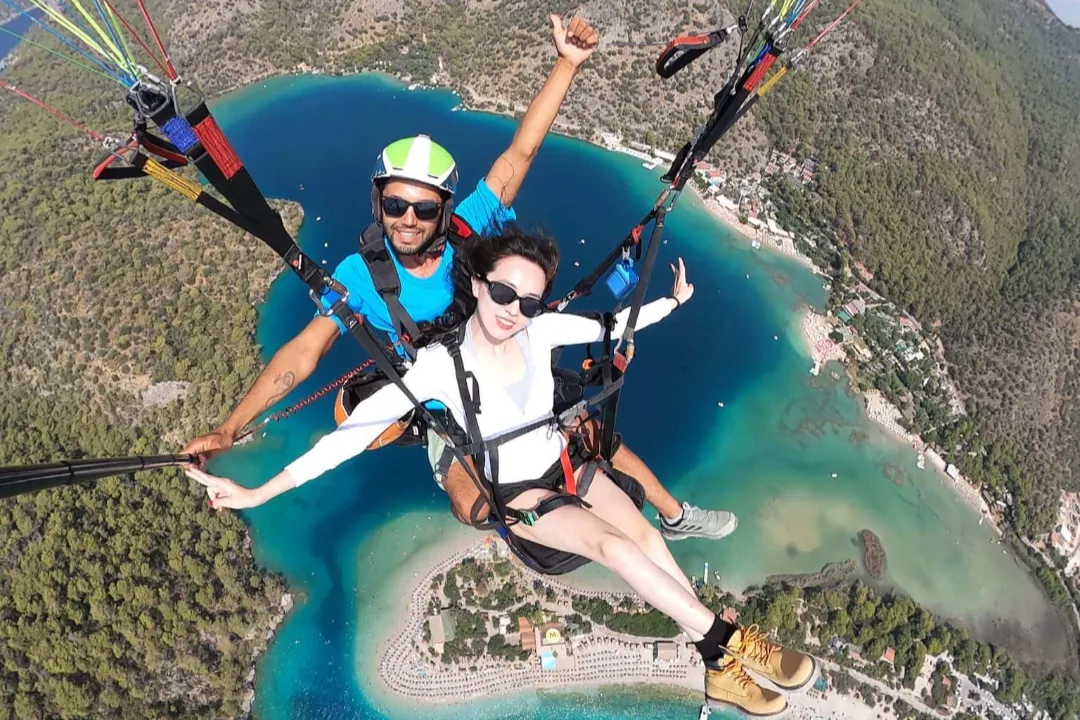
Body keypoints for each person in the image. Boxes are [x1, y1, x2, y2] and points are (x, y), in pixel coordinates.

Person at [185, 228, 813, 715]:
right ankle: (732, 644)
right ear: (480, 285)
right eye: (505, 292)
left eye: (530, 299)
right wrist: (257, 491)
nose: (515, 309)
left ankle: (716, 664)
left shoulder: (539, 332)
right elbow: (343, 442)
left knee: (648, 538)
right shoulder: (437, 366)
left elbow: (610, 324)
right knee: (616, 546)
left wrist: (671, 304)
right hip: (524, 496)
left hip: (567, 467)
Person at [181, 14, 735, 542]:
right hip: (447, 400)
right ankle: (557, 524)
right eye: (396, 205)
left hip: (507, 363)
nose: (407, 220)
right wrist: (231, 429)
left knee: (596, 438)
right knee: (473, 502)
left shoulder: (470, 229)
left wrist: (566, 64)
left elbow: (521, 153)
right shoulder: (361, 276)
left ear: (444, 211)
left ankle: (673, 514)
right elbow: (303, 354)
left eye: (423, 210)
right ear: (379, 204)